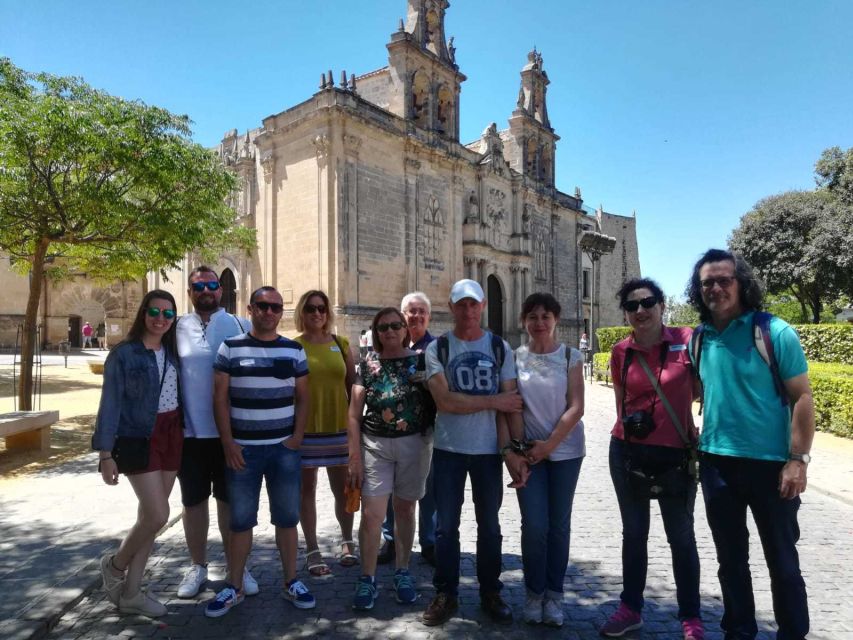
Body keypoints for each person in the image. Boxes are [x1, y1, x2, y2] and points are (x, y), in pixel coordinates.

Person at [687, 249, 814, 640]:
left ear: (741, 283)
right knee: (730, 560)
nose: (716, 288)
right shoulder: (699, 337)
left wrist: (798, 460)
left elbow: (803, 398)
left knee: (782, 561)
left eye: (725, 279)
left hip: (771, 465)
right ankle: (738, 631)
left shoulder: (774, 332)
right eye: (708, 282)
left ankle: (792, 633)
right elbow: (702, 391)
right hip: (716, 464)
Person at [600, 278, 703, 639]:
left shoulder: (688, 340)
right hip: (628, 452)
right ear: (626, 313)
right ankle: (631, 608)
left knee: (681, 536)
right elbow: (620, 405)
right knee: (634, 534)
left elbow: (706, 387)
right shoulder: (620, 351)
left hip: (676, 454)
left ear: (661, 305)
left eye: (647, 302)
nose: (640, 310)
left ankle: (691, 617)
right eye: (632, 306)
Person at [204, 286, 315, 617]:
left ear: (282, 312)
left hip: (283, 449)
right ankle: (234, 586)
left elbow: (304, 397)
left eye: (276, 307)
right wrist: (227, 443)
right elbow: (219, 398)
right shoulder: (231, 347)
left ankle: (290, 581)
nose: (269, 312)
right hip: (243, 451)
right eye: (263, 306)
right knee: (240, 521)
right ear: (250, 308)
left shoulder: (294, 350)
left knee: (287, 518)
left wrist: (296, 437)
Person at [421, 278, 523, 627]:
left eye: (473, 304)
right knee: (446, 527)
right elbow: (445, 401)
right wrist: (493, 400)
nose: (468, 310)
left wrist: (514, 452)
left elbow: (514, 405)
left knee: (490, 527)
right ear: (451, 308)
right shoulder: (437, 349)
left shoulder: (499, 348)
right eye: (461, 304)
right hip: (448, 450)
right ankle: (446, 593)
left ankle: (490, 591)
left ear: (482, 306)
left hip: (488, 452)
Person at [92, 290, 182, 618]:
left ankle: (131, 593)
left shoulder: (173, 350)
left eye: (168, 314)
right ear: (143, 313)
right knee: (158, 514)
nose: (161, 319)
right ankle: (115, 566)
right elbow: (110, 404)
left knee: (148, 519)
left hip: (174, 433)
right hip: (139, 436)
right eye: (155, 312)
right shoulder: (124, 354)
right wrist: (105, 453)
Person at [174, 266, 257, 599]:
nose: (206, 290)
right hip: (189, 435)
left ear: (221, 291)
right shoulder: (176, 327)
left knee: (230, 503)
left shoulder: (240, 325)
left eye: (211, 285)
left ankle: (238, 567)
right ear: (190, 291)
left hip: (231, 435)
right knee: (193, 503)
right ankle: (198, 567)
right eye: (198, 286)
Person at [346, 307, 432, 610]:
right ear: (376, 332)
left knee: (406, 510)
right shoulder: (367, 365)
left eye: (396, 325)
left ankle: (402, 571)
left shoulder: (421, 361)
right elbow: (354, 414)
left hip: (413, 445)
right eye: (383, 327)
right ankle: (367, 578)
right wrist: (354, 456)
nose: (390, 331)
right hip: (375, 445)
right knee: (371, 514)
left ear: (405, 329)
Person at [511, 293, 585, 628]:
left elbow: (577, 407)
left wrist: (549, 446)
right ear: (523, 321)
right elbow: (512, 407)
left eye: (545, 316)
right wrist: (519, 452)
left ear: (556, 320)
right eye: (532, 316)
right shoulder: (514, 359)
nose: (539, 323)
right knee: (534, 526)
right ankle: (533, 593)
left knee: (558, 526)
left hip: (566, 453)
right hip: (529, 453)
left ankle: (554, 596)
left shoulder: (571, 356)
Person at [293, 290, 357, 576]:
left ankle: (347, 541)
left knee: (343, 489)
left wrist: (357, 429)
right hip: (306, 429)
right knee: (306, 490)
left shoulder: (341, 344)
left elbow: (353, 386)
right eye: (310, 309)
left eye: (321, 308)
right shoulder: (293, 347)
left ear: (328, 312)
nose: (316, 313)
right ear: (302, 313)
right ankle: (312, 549)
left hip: (338, 427)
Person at [377, 291, 437, 568]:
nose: (416, 316)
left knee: (427, 489)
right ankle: (390, 539)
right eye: (411, 311)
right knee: (392, 490)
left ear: (429, 316)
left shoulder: (436, 349)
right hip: (394, 434)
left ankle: (429, 541)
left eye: (421, 311)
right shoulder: (388, 348)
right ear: (402, 316)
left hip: (427, 431)